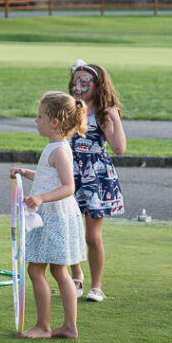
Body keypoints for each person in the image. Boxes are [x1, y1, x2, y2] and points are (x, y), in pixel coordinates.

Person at [9, 92, 88, 339]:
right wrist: (25, 172)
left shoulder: (60, 151)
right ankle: (68, 326)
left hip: (54, 216)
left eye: (40, 116)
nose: (36, 121)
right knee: (57, 271)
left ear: (54, 122)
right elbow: (47, 178)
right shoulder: (54, 148)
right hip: (52, 215)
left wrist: (41, 198)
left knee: (38, 270)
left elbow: (68, 187)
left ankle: (44, 326)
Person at [66, 61, 126, 303]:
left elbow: (119, 148)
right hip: (69, 173)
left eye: (84, 83)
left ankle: (97, 285)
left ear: (97, 85)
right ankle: (76, 275)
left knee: (93, 237)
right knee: (68, 230)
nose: (78, 86)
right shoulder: (68, 108)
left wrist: (115, 118)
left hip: (96, 176)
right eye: (75, 82)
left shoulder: (103, 114)